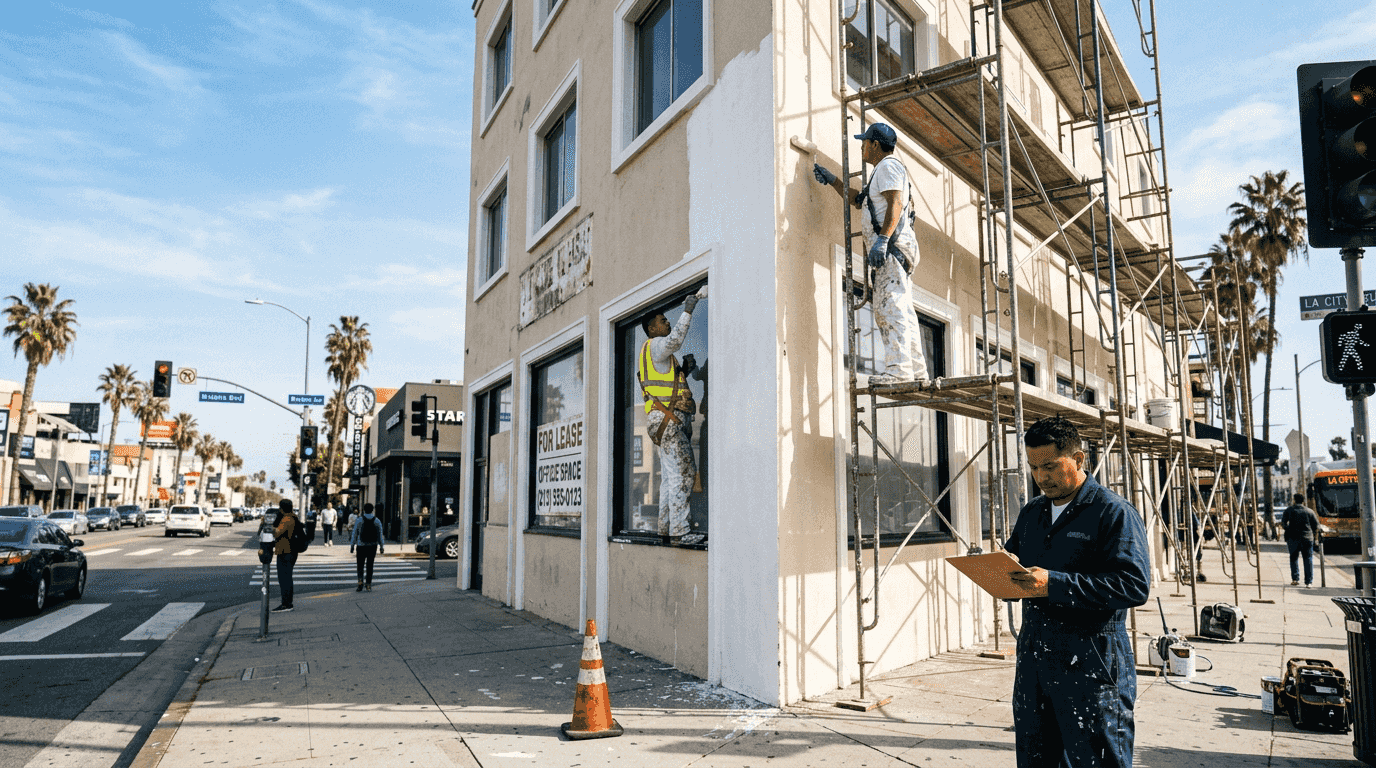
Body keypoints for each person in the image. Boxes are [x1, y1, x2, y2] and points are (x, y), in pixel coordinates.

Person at [1005, 416, 1150, 768]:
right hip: (1035, 665)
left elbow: (1133, 584)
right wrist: (1001, 576)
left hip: (1092, 664)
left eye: (1051, 466)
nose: (1041, 477)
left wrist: (1053, 584)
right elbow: (1016, 564)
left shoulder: (1112, 513)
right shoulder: (1033, 513)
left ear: (1079, 459)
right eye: (1034, 467)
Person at [812, 122, 928, 385]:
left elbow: (896, 203)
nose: (862, 146)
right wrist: (832, 180)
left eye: (865, 142)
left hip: (892, 250)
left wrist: (883, 240)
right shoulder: (882, 173)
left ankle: (899, 371)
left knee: (889, 308)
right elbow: (858, 200)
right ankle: (916, 371)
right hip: (898, 251)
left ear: (875, 145)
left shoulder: (887, 166)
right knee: (903, 310)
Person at [637, 286, 708, 546]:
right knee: (684, 473)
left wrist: (685, 371)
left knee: (669, 478)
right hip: (669, 422)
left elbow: (664, 389)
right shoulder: (656, 345)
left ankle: (666, 528)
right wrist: (688, 310)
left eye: (667, 319)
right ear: (652, 329)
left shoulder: (653, 354)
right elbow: (676, 340)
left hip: (660, 423)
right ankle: (681, 531)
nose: (667, 323)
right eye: (663, 321)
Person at [1282, 493, 1321, 587]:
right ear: (1303, 501)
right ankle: (1309, 582)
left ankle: (1295, 579)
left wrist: (1288, 529)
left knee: (1293, 558)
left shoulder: (1289, 510)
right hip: (1307, 538)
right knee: (1308, 559)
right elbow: (1316, 526)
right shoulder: (1310, 511)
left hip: (1293, 538)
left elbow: (1283, 523)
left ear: (1294, 500)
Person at [271, 499, 301, 612]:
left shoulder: (287, 519)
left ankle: (286, 604)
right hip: (290, 551)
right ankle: (287, 603)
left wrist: (270, 525)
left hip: (286, 551)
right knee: (287, 578)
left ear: (282, 508)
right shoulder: (293, 517)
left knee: (284, 579)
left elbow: (277, 532)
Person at [351, 502, 386, 592]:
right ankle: (368, 585)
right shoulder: (377, 520)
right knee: (370, 565)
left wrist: (352, 545)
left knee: (360, 565)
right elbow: (380, 535)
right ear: (372, 510)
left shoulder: (359, 520)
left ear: (364, 510)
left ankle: (360, 583)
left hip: (361, 545)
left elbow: (355, 533)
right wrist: (382, 546)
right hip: (372, 546)